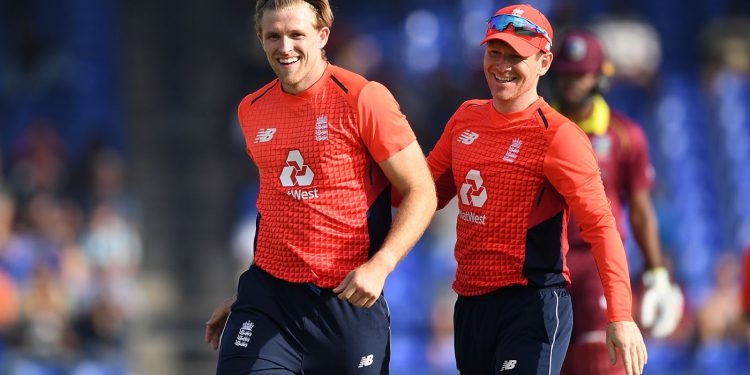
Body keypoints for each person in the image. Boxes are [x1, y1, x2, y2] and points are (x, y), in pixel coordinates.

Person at [203, 1, 437, 374]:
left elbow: (421, 191)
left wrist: (381, 266)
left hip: (346, 302)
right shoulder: (251, 109)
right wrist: (244, 296)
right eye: (273, 36)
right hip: (268, 302)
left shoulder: (364, 99)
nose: (285, 47)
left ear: (322, 35)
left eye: (297, 34)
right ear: (260, 39)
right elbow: (279, 206)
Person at [424, 4, 647, 375]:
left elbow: (601, 226)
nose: (502, 66)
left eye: (517, 56)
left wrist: (621, 316)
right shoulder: (464, 118)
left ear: (544, 62)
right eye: (495, 52)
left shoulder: (559, 136)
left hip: (531, 304)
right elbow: (422, 194)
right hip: (470, 305)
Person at [548, 28, 685, 375]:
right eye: (565, 74)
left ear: (600, 76)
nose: (571, 83)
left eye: (580, 75)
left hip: (600, 263)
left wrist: (657, 273)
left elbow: (640, 210)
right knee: (552, 361)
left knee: (604, 358)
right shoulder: (540, 128)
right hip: (549, 262)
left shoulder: (625, 135)